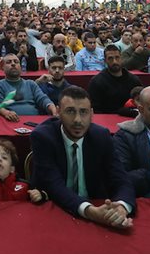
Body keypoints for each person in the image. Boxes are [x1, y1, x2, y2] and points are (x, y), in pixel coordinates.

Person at [30, 86, 135, 229]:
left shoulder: (102, 136)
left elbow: (122, 179)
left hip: (96, 207)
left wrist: (121, 209)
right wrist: (91, 212)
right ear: (58, 112)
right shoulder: (42, 137)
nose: (78, 120)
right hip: (55, 211)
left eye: (83, 112)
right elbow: (54, 185)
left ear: (92, 114)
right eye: (70, 111)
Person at [0, 54, 58, 121]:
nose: (13, 64)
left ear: (20, 66)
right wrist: (6, 113)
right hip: (10, 121)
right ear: (3, 67)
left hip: (34, 121)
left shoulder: (31, 84)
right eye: (9, 62)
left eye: (16, 62)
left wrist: (53, 109)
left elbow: (43, 99)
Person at [88, 44, 142, 117]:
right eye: (110, 58)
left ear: (121, 58)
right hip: (107, 121)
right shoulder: (96, 82)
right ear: (105, 61)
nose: (115, 62)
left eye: (117, 57)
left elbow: (141, 104)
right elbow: (96, 111)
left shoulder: (134, 80)